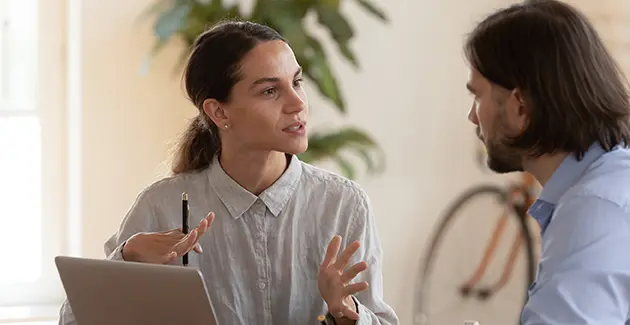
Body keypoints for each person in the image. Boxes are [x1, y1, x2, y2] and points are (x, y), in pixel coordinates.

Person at [58, 20, 399, 325]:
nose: (297, 103)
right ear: (219, 112)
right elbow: (74, 320)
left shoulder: (343, 204)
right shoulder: (160, 206)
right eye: (270, 90)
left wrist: (345, 312)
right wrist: (128, 258)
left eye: (296, 82)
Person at [464, 0, 630, 324]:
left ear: (520, 106)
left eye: (478, 96)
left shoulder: (593, 207)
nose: (472, 116)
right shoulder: (606, 183)